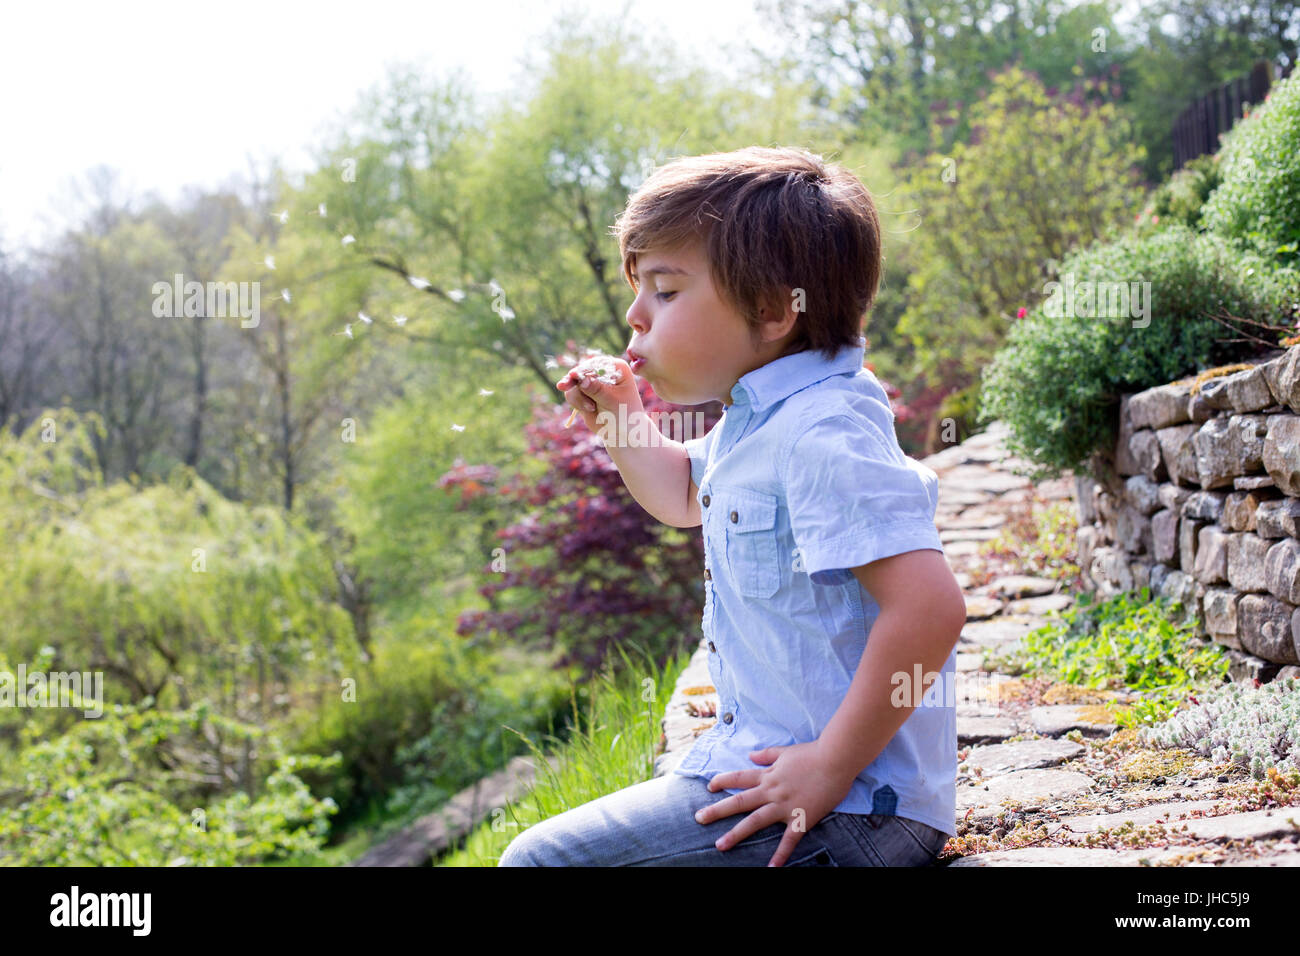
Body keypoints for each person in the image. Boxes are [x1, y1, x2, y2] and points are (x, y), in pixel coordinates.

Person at [499, 146, 966, 867]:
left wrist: (829, 766)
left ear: (774, 309)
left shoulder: (821, 430)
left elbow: (930, 610)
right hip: (790, 773)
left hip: (850, 808)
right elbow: (686, 495)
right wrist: (624, 418)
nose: (634, 313)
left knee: (540, 862)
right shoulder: (762, 418)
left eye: (665, 289)